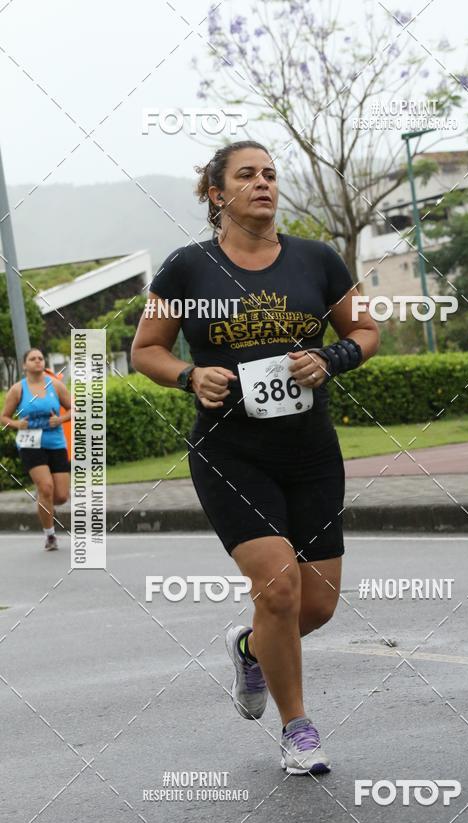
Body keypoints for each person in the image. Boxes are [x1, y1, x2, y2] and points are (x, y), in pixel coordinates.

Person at [131, 140, 379, 774]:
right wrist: (189, 376)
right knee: (278, 589)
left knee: (316, 604)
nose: (263, 183)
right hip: (230, 452)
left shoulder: (318, 260)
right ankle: (299, 730)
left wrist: (332, 357)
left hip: (310, 451)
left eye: (270, 174)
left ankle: (249, 648)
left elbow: (365, 331)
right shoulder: (187, 268)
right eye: (247, 175)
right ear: (218, 194)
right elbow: (147, 350)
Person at [1, 348, 71, 550]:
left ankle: (45, 502)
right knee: (46, 488)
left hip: (56, 442)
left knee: (60, 496)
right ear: (25, 365)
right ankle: (50, 536)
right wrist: (16, 424)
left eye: (41, 358)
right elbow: (3, 418)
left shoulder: (55, 385)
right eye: (33, 359)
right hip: (30, 443)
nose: (38, 361)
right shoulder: (18, 389)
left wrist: (61, 419)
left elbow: (75, 408)